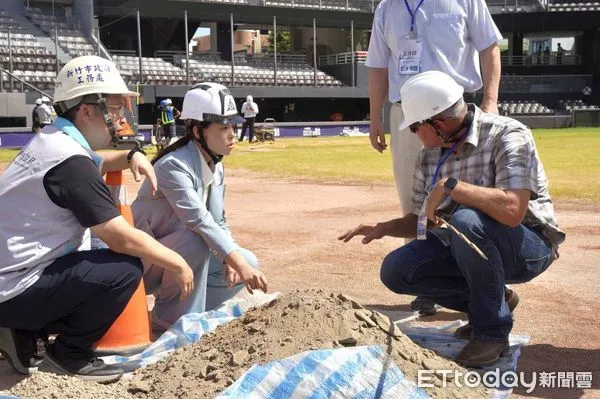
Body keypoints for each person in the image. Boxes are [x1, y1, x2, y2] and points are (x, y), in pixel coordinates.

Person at [340, 71, 565, 367]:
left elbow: (513, 211)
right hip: (467, 243)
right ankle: (497, 299)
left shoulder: (508, 134)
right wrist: (386, 228)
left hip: (529, 244)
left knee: (466, 219)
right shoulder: (428, 155)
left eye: (415, 128)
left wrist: (452, 187)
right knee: (397, 270)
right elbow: (424, 221)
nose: (413, 135)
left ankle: (491, 332)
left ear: (439, 123)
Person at [0, 55, 194, 383]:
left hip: (10, 281)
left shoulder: (53, 142)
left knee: (92, 262)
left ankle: (18, 330)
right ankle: (68, 356)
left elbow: (97, 164)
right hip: (14, 288)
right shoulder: (70, 163)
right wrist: (178, 262)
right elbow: (122, 237)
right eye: (115, 108)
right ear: (88, 111)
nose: (121, 117)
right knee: (123, 270)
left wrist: (131, 155)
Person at [365, 0, 502, 315]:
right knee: (413, 205)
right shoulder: (386, 8)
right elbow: (378, 65)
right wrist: (374, 117)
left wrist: (491, 101)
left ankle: (483, 287)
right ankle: (426, 283)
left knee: (467, 204)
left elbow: (489, 47)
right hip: (407, 117)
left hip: (456, 112)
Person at [132, 83, 268, 330]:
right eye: (223, 127)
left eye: (233, 126)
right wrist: (236, 262)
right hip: (140, 265)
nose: (232, 134)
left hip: (172, 254)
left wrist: (234, 260)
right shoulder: (173, 165)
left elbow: (220, 220)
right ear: (197, 131)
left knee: (248, 260)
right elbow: (200, 221)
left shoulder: (216, 164)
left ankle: (191, 311)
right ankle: (168, 321)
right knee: (199, 242)